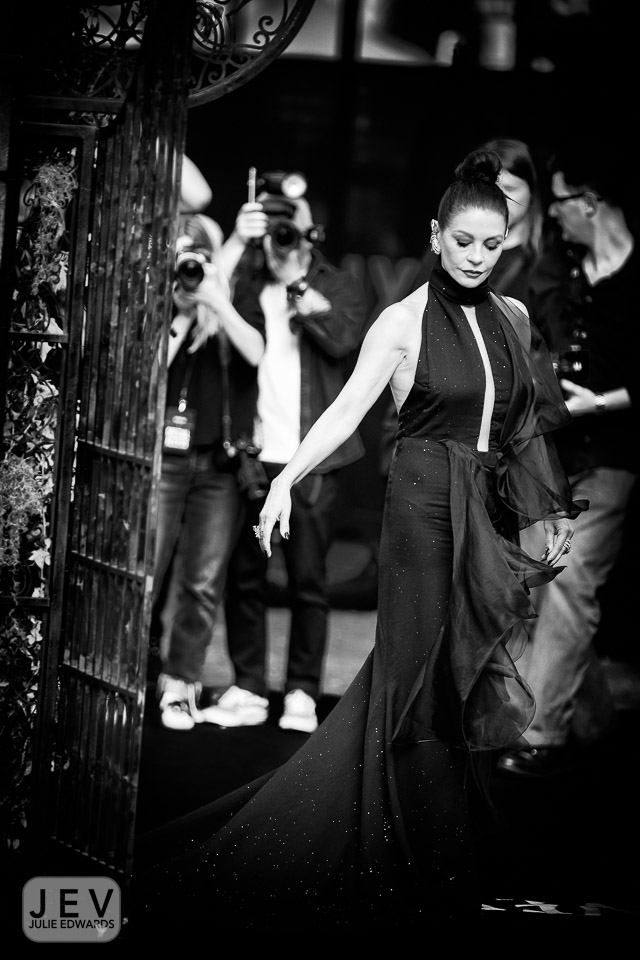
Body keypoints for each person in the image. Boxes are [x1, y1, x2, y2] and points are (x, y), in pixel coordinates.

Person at [133, 149, 583, 932]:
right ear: (435, 235)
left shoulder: (512, 315)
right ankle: (401, 845)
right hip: (421, 506)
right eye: (463, 241)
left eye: (491, 243)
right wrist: (286, 479)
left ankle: (432, 839)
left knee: (461, 675)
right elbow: (344, 411)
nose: (477, 256)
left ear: (507, 240)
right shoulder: (401, 321)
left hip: (486, 509)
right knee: (416, 676)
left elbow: (522, 426)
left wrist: (547, 514)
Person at [203, 175, 366, 734]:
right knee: (245, 578)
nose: (280, 233)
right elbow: (207, 298)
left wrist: (296, 280)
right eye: (271, 223)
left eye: (288, 223)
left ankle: (301, 691)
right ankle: (249, 687)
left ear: (310, 229)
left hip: (311, 460)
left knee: (307, 582)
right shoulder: (247, 279)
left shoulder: (336, 283)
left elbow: (342, 340)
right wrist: (236, 240)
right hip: (252, 455)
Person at [496, 139, 639, 777]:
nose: (551, 213)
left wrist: (598, 403)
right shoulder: (560, 268)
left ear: (590, 201)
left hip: (610, 454)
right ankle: (594, 722)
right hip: (549, 451)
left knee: (572, 581)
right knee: (539, 582)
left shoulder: (638, 279)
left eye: (559, 202)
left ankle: (541, 734)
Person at [152, 213, 266, 730]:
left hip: (219, 465)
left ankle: (180, 684)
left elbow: (256, 352)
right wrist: (179, 311)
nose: (189, 270)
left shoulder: (233, 295)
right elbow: (148, 370)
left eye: (196, 258)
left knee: (201, 584)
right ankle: (124, 674)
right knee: (147, 572)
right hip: (164, 459)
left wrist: (215, 301)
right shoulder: (160, 303)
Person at [379, 135, 544, 475]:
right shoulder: (444, 255)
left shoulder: (540, 268)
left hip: (498, 430)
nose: (476, 259)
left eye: (510, 189)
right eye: (463, 242)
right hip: (433, 418)